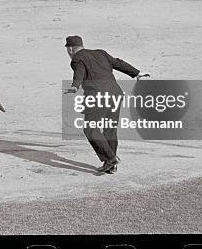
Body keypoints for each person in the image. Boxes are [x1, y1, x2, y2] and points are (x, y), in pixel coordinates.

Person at [63, 35, 149, 174]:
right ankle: (111, 165)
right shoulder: (100, 53)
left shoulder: (77, 59)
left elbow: (79, 73)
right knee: (110, 129)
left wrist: (74, 86)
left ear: (70, 49)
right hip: (115, 94)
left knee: (90, 129)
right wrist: (136, 73)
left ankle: (110, 159)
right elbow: (118, 63)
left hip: (97, 97)